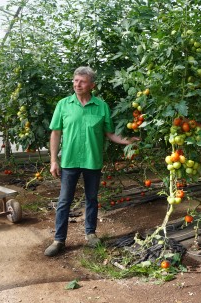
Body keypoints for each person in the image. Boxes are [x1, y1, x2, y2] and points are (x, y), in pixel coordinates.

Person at [44, 66, 137, 257]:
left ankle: (91, 233)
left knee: (92, 199)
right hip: (69, 161)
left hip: (92, 161)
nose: (77, 84)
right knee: (64, 201)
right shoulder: (63, 104)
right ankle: (59, 240)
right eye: (75, 80)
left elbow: (110, 134)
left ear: (91, 85)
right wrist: (54, 160)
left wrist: (129, 141)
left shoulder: (101, 106)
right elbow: (55, 133)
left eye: (82, 81)